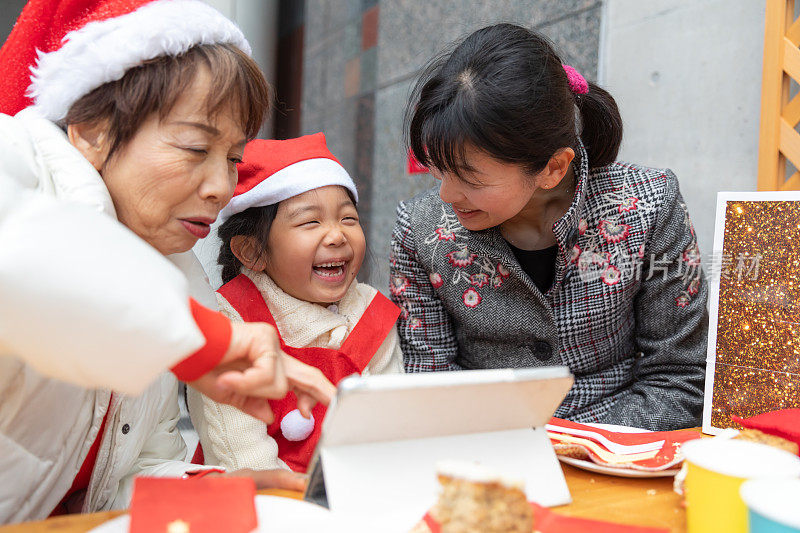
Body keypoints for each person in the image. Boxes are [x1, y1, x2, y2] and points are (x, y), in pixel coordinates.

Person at [0, 0, 333, 523]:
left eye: (232, 160)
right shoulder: (13, 158)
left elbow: (120, 478)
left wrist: (218, 494)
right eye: (196, 149)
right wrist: (202, 339)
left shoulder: (173, 282)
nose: (221, 188)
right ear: (90, 129)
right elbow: (22, 255)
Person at [389, 23, 707, 431]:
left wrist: (576, 447)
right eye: (439, 169)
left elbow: (680, 378)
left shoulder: (648, 205)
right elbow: (427, 385)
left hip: (620, 452)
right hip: (486, 455)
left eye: (470, 179)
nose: (447, 195)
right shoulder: (420, 232)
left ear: (553, 168)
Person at [189, 134, 404, 473]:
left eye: (348, 218)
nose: (337, 235)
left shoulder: (370, 313)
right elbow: (246, 460)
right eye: (310, 222)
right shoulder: (229, 322)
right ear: (252, 251)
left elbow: (391, 425)